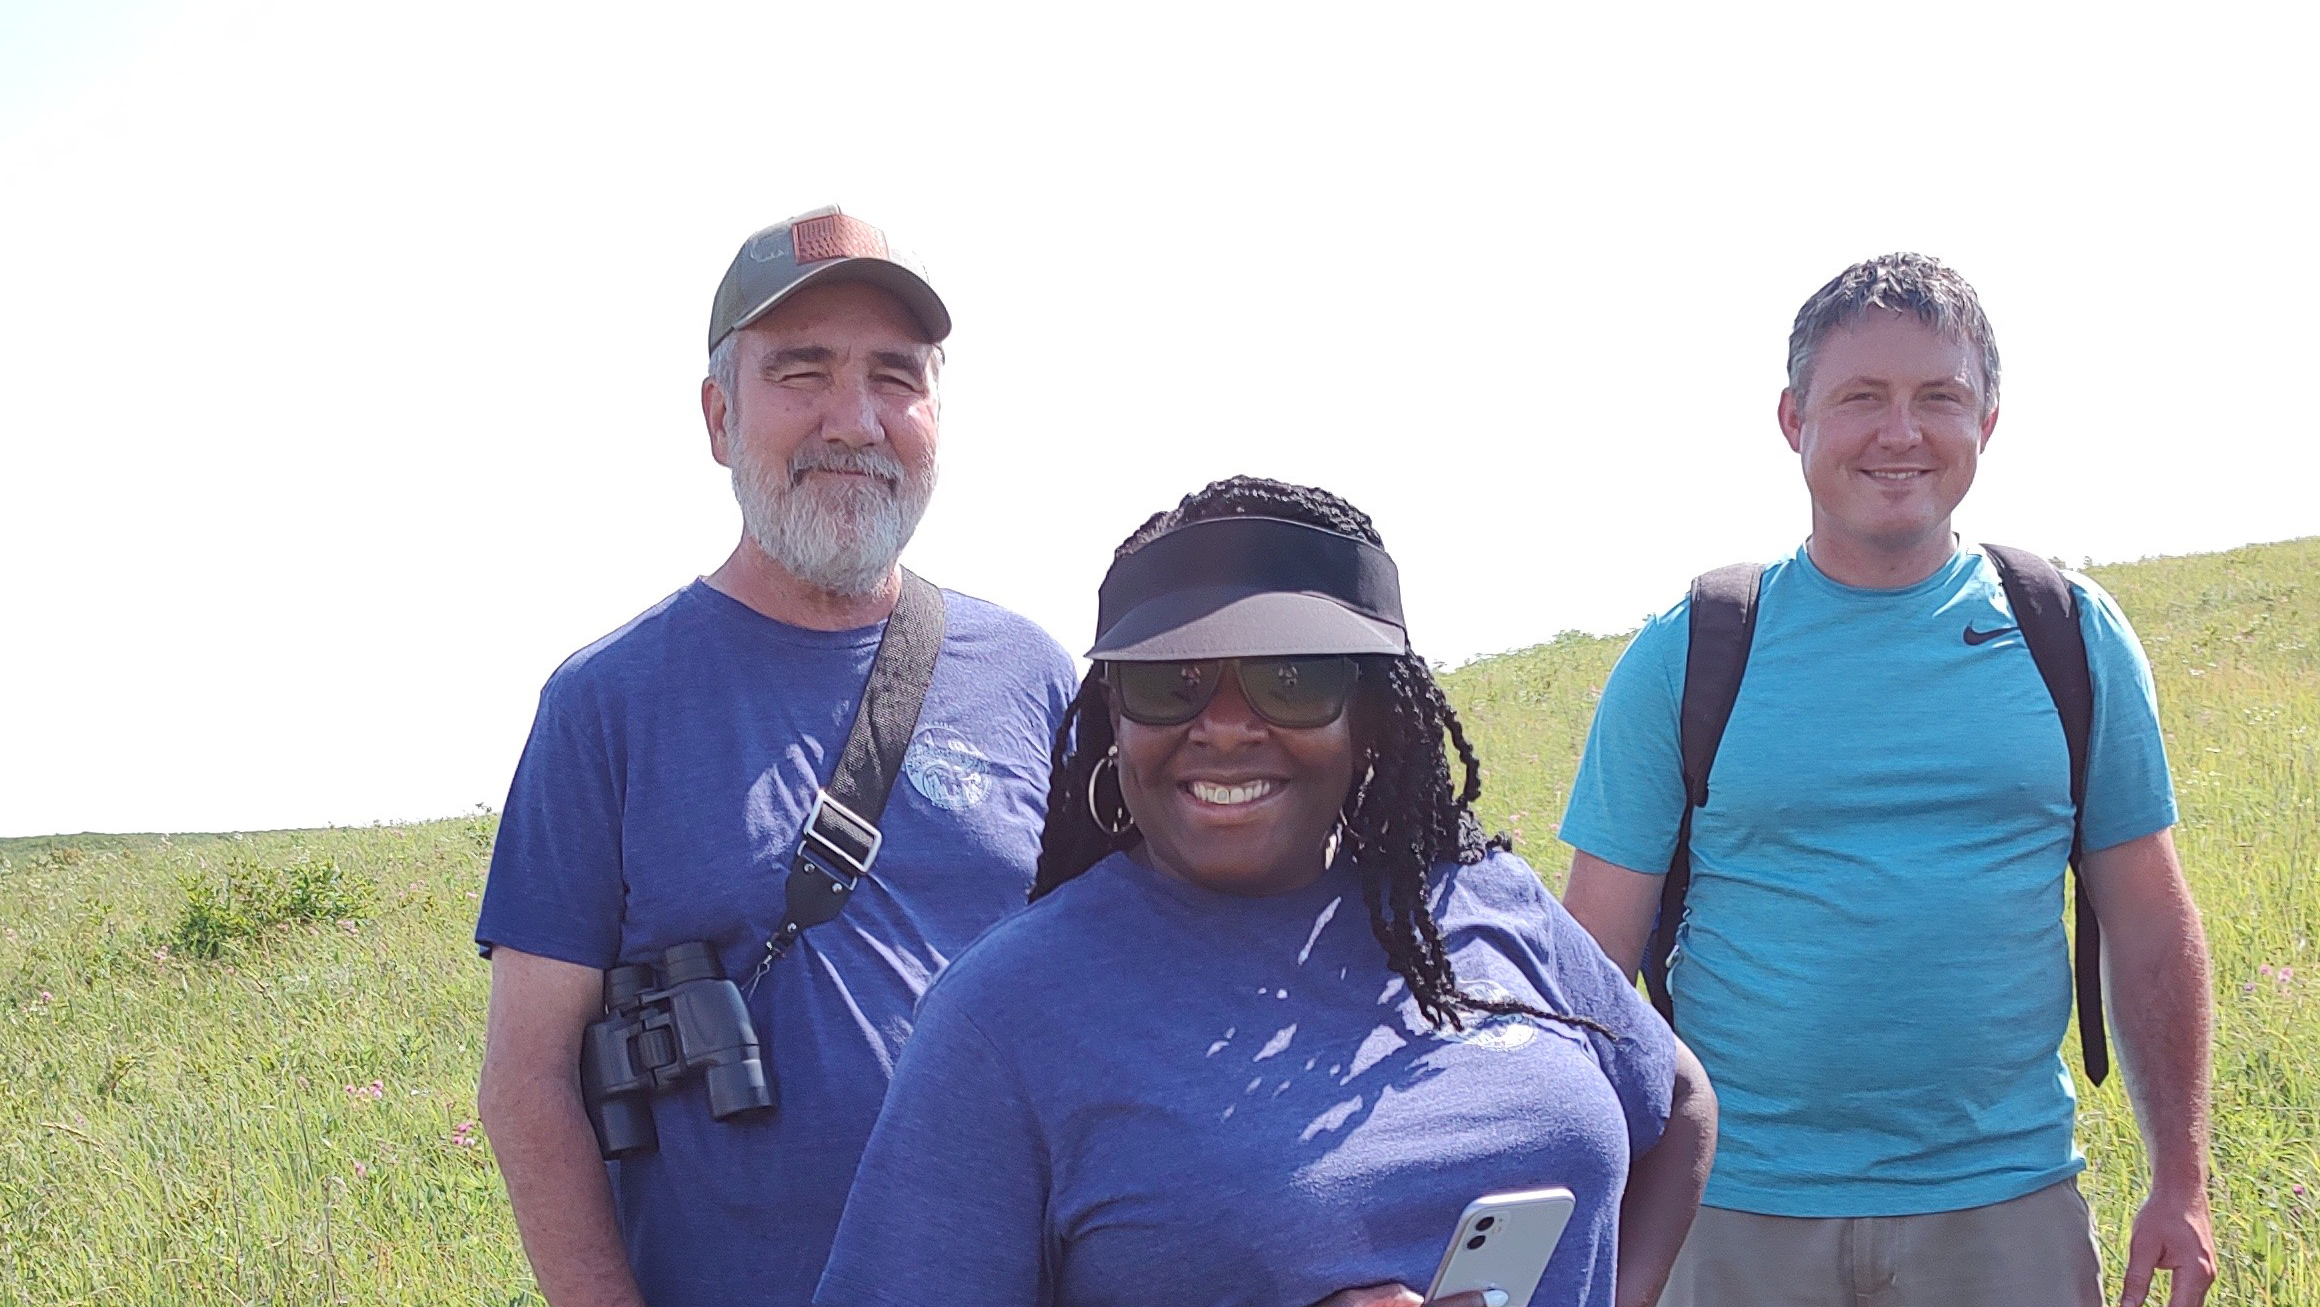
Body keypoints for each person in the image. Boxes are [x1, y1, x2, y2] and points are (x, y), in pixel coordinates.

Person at [816, 476, 1716, 1307]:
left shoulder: (1486, 901)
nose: (1228, 726)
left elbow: (1678, 1102)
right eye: (1172, 681)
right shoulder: (1005, 1016)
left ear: (1370, 711)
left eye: (1293, 677)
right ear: (1114, 718)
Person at [1558, 253, 2216, 1306]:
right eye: (1861, 396)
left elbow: (2147, 923)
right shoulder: (1693, 650)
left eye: (1938, 397)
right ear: (1792, 419)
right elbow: (1590, 954)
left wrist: (2181, 1177)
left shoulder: (2068, 636)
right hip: (1732, 1211)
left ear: (1988, 419)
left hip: (2007, 1211)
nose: (1899, 432)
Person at [472, 206, 1079, 1307]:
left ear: (936, 411)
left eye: (894, 376)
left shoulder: (1031, 673)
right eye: (801, 373)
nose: (854, 418)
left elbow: (1116, 996)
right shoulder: (605, 704)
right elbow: (526, 1081)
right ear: (717, 415)